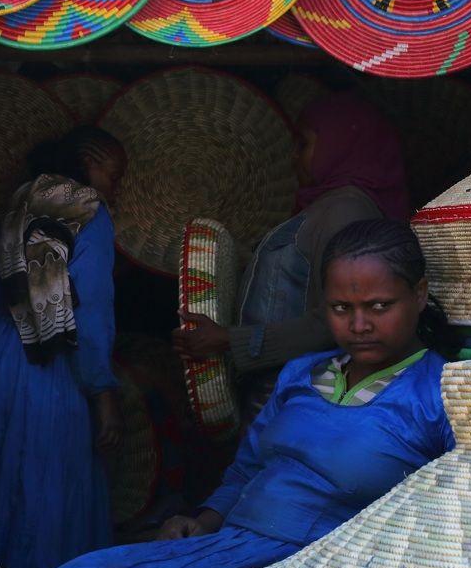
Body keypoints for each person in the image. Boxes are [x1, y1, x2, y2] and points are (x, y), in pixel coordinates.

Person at [23, 219, 455, 568]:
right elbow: (248, 469)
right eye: (342, 308)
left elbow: (452, 523)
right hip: (233, 546)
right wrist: (204, 521)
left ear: (418, 295)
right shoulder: (302, 373)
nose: (359, 325)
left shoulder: (441, 394)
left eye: (379, 307)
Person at [0, 126, 127, 568]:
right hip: (42, 359)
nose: (115, 187)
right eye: (114, 173)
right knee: (48, 480)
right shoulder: (90, 211)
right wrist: (102, 390)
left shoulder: (21, 200)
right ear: (90, 160)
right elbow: (92, 311)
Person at [173, 91, 410, 424]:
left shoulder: (345, 211)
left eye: (304, 144)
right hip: (284, 394)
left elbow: (334, 324)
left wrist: (229, 340)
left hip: (292, 399)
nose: (294, 157)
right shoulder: (327, 206)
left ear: (339, 146)